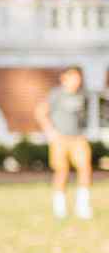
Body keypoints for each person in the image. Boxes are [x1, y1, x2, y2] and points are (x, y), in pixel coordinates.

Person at [36, 66, 93, 220]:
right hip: (60, 139)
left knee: (85, 168)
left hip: (78, 138)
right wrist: (50, 132)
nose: (76, 81)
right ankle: (59, 208)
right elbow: (41, 112)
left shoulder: (82, 95)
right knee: (62, 171)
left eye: (78, 78)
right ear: (64, 78)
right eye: (73, 78)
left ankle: (83, 206)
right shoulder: (56, 95)